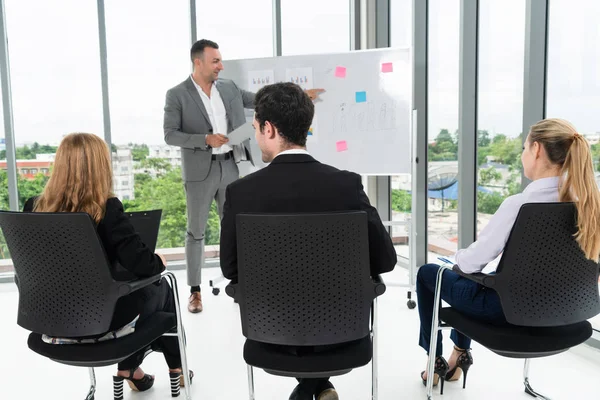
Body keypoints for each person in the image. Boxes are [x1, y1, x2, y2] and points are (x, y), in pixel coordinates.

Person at [219, 82, 397, 400]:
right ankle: (317, 385)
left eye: (257, 127)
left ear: (269, 128)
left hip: (270, 335)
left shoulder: (241, 193)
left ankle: (309, 388)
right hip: (342, 334)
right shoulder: (347, 185)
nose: (257, 135)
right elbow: (386, 261)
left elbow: (231, 269)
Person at [416, 118, 600, 392]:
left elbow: (469, 261)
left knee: (431, 273)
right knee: (485, 278)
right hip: (567, 310)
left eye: (525, 148)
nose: (522, 154)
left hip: (507, 311)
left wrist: (458, 258)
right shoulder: (591, 203)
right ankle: (459, 355)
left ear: (537, 150)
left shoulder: (520, 204)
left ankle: (435, 362)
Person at [24, 133, 193, 396]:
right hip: (101, 323)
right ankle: (176, 367)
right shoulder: (107, 208)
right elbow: (143, 265)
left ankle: (134, 371)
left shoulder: (33, 207)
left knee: (139, 293)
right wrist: (158, 260)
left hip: (52, 321)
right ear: (101, 166)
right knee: (162, 286)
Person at [163, 39, 324, 313]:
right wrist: (205, 139)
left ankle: (241, 282)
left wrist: (298, 94)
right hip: (200, 171)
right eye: (215, 61)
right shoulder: (177, 94)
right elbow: (170, 134)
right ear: (198, 62)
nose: (220, 66)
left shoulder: (228, 87)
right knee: (196, 231)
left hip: (229, 165)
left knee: (234, 225)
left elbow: (261, 99)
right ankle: (195, 291)